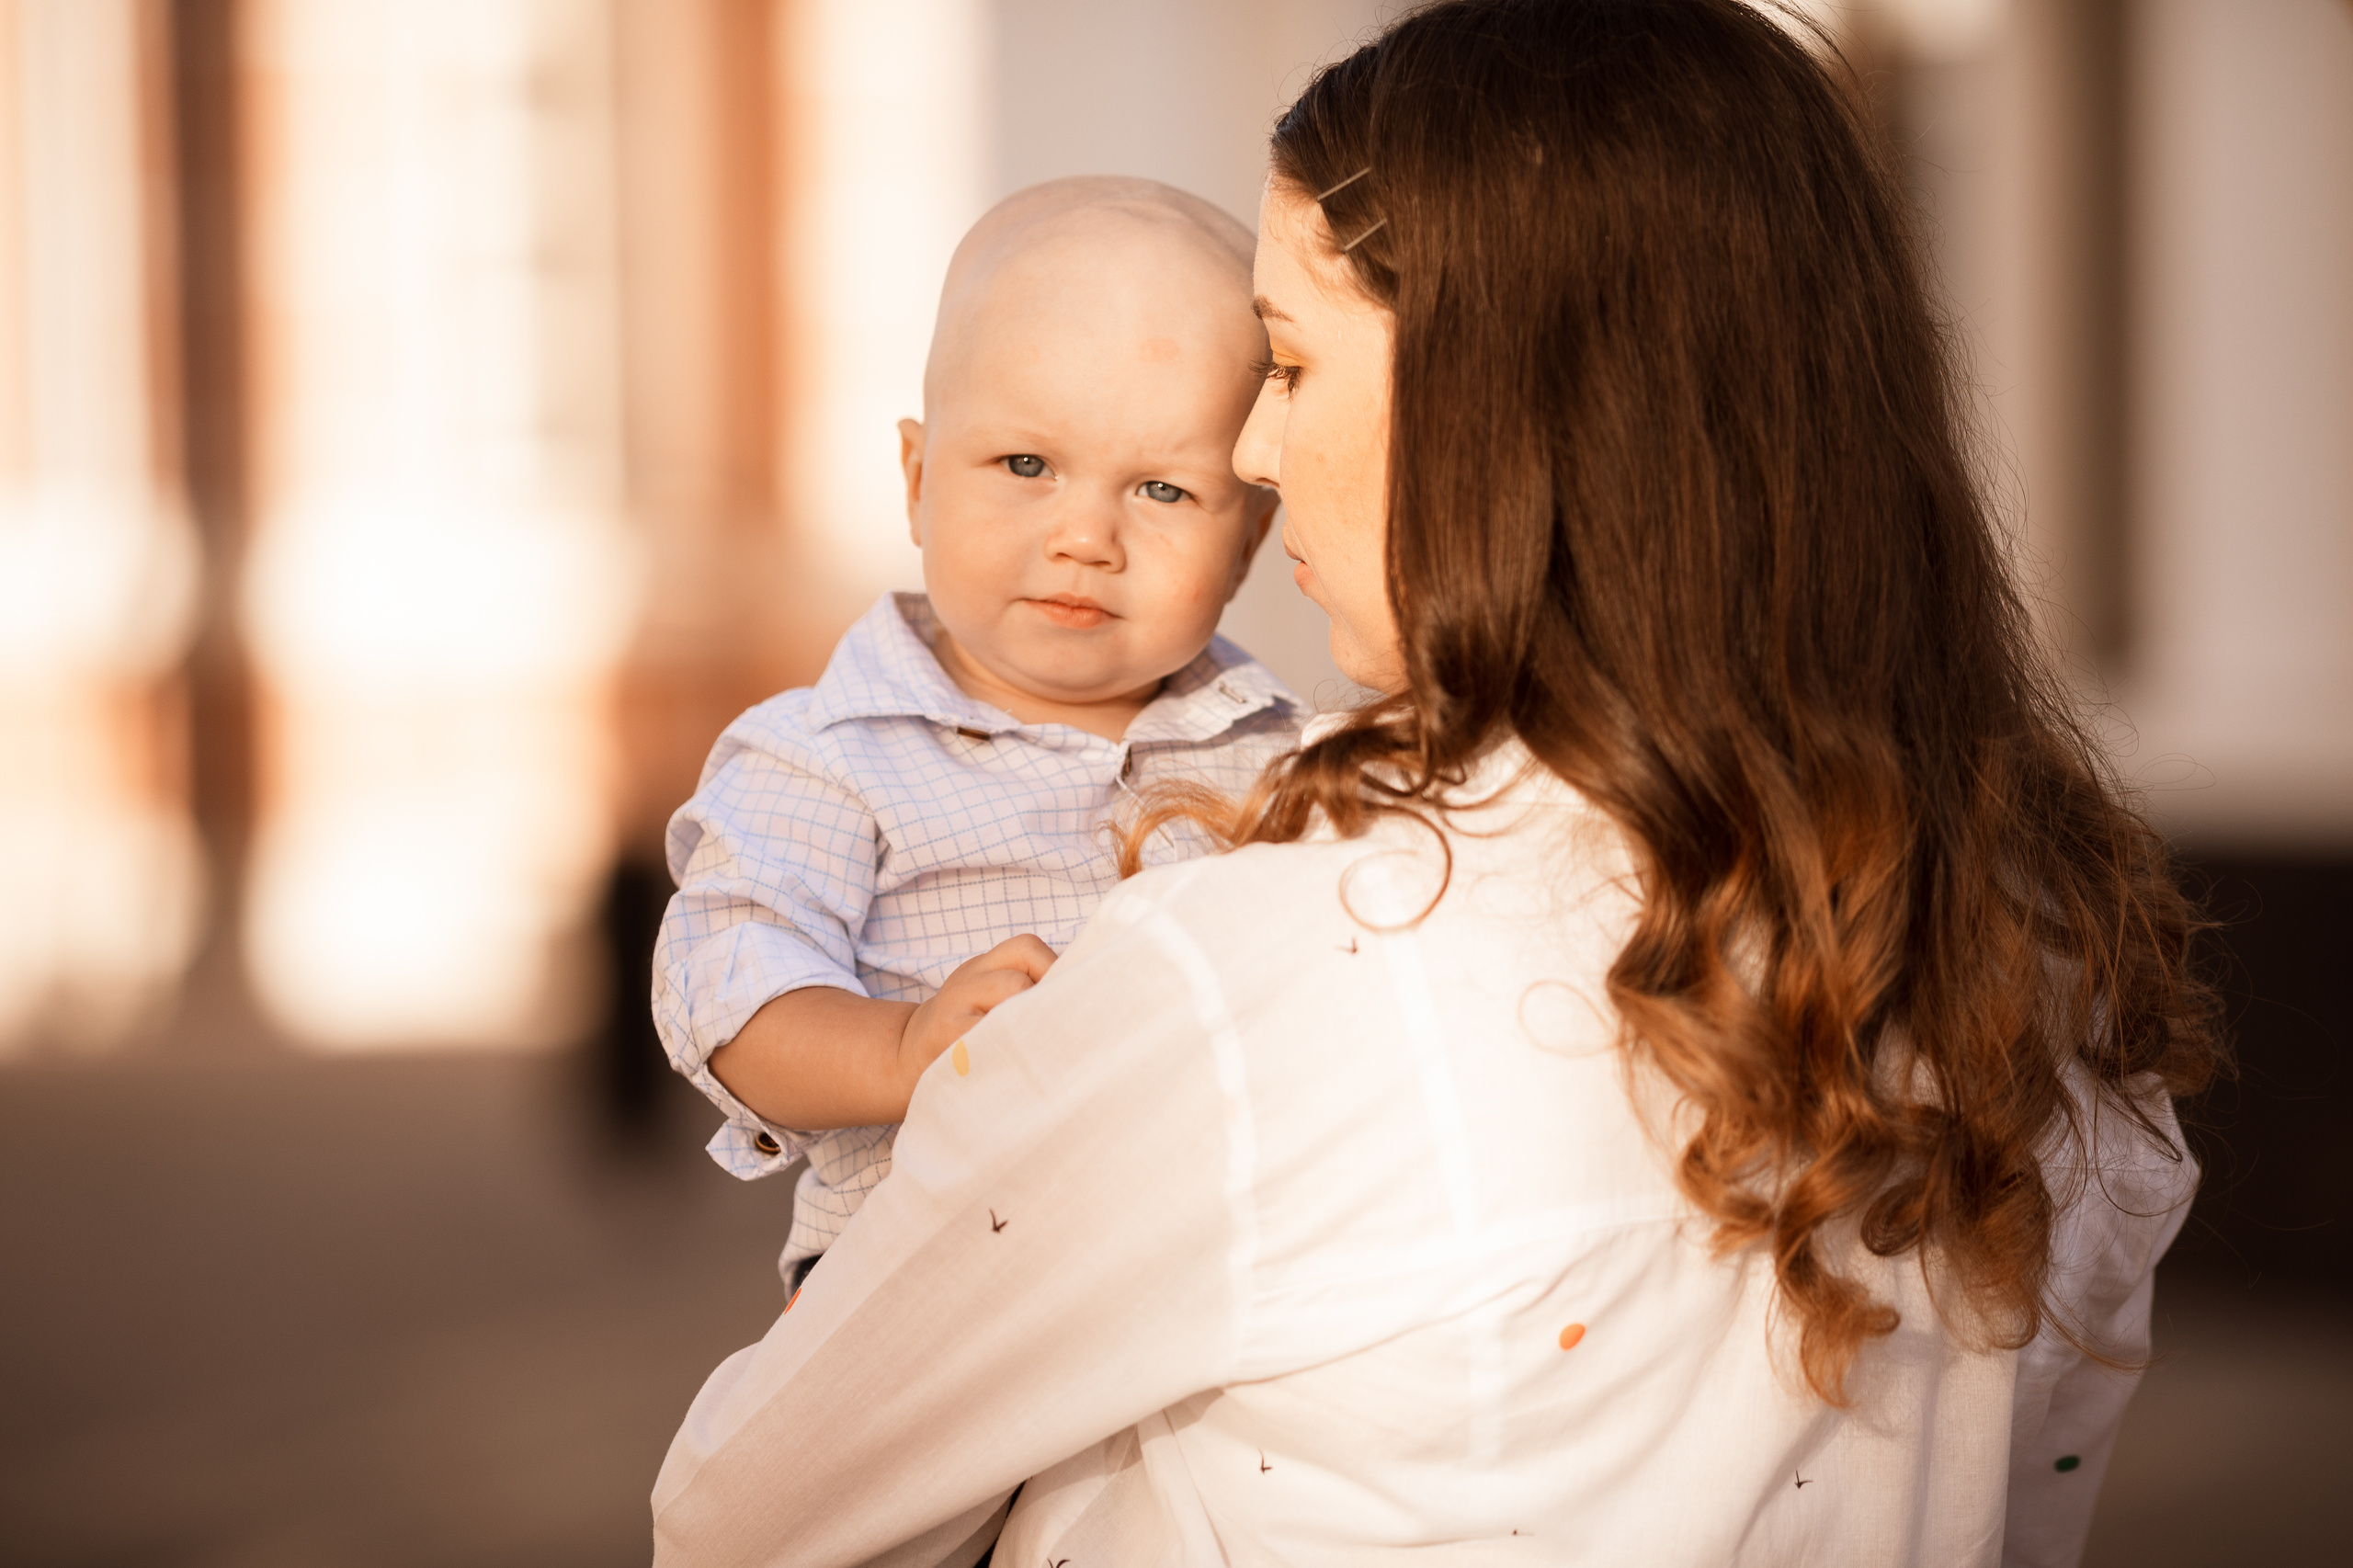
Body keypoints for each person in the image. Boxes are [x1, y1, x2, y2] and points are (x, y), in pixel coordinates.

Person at [651, 3, 2222, 1563]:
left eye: (1288, 362)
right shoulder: (2039, 951)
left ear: (1499, 407)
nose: (1254, 451)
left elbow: (739, 1519)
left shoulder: (1281, 968)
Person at [653, 177, 1300, 1290]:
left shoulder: (1284, 757)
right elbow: (727, 987)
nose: (1086, 535)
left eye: (1160, 488)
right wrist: (900, 1048)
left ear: (1247, 540)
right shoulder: (828, 756)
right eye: (1025, 466)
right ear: (915, 482)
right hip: (928, 1278)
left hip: (1206, 1269)